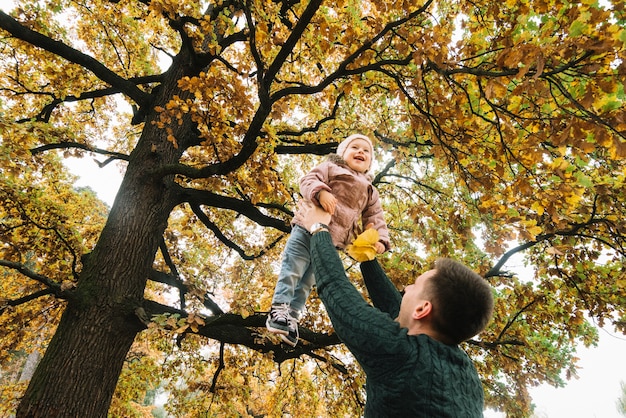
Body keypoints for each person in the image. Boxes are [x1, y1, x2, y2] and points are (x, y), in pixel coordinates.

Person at [301, 202, 494, 417]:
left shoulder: (402, 354)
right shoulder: (466, 374)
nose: (406, 288)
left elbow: (337, 291)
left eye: (415, 285)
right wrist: (366, 255)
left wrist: (318, 228)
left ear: (422, 309)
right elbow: (397, 310)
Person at [266, 134, 391, 346]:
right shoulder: (331, 168)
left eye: (366, 151)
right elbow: (307, 180)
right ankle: (279, 308)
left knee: (307, 282)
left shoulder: (370, 190)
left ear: (370, 162)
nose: (361, 152)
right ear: (343, 153)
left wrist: (379, 240)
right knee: (293, 269)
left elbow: (375, 217)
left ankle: (292, 317)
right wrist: (321, 192)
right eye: (355, 147)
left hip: (330, 244)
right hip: (307, 228)